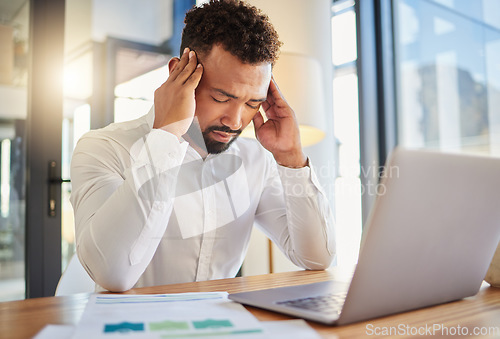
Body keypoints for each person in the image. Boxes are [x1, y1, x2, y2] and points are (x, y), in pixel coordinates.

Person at [70, 0, 335, 292]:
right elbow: (113, 275)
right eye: (221, 98)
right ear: (179, 75)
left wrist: (292, 159)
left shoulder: (254, 160)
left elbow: (317, 257)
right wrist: (167, 136)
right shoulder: (103, 149)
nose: (235, 121)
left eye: (252, 103)